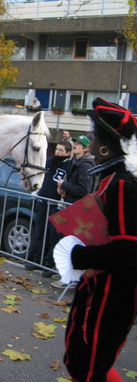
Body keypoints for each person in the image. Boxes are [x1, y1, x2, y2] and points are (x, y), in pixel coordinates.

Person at [53, 97, 137, 382]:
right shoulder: (110, 178)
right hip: (98, 283)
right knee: (80, 358)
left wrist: (79, 256)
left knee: (89, 364)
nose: (88, 142)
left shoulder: (124, 183)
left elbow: (128, 250)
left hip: (115, 290)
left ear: (105, 145)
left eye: (92, 137)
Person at [25, 140, 72, 277]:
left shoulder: (68, 165)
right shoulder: (49, 162)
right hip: (43, 202)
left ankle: (47, 264)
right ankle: (36, 260)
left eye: (61, 150)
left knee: (52, 236)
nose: (57, 152)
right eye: (57, 149)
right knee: (39, 233)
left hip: (56, 205)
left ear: (68, 153)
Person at [56, 134, 95, 203]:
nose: (74, 145)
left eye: (78, 144)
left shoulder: (86, 166)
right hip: (70, 204)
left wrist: (64, 184)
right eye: (75, 142)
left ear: (85, 148)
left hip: (78, 207)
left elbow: (84, 190)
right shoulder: (73, 162)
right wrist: (64, 191)